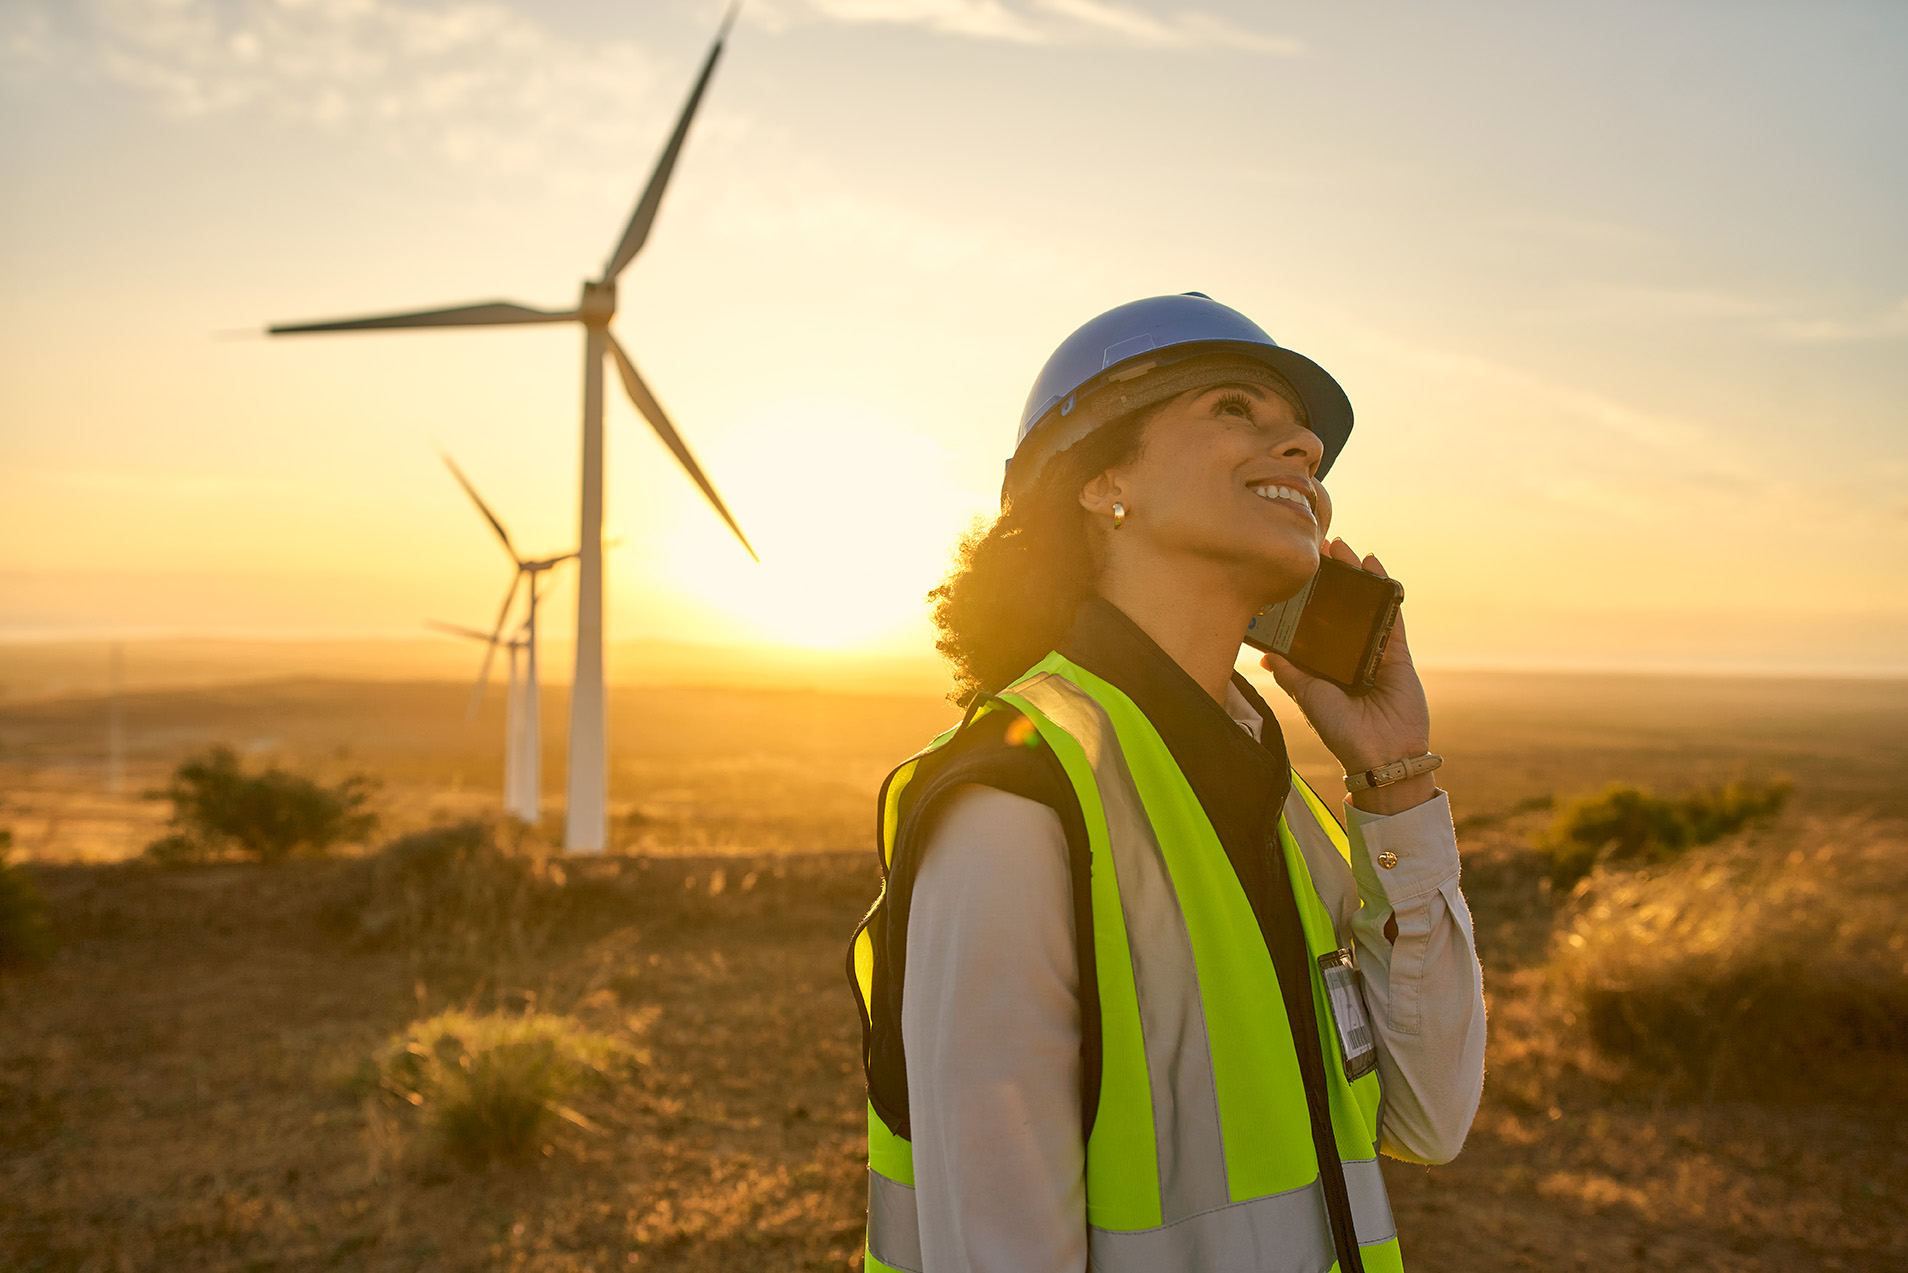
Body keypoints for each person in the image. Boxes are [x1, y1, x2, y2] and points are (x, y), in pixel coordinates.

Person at [848, 294, 1487, 1273]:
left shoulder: (1281, 804)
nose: (1305, 448)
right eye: (1237, 409)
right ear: (1104, 480)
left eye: (1306, 440)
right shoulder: (1018, 802)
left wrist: (1395, 776)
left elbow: (1429, 1115)